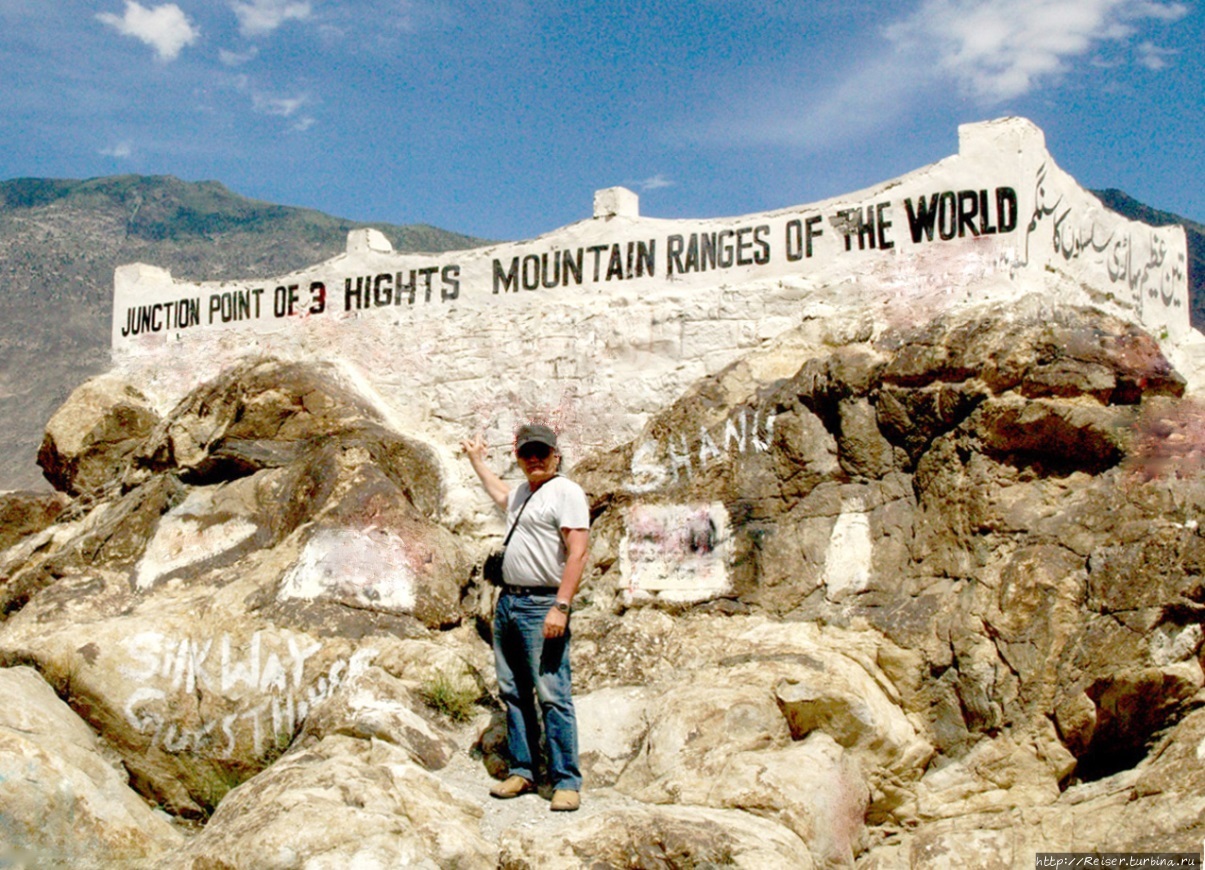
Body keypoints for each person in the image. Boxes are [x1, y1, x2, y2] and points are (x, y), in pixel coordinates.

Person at [461, 422, 590, 812]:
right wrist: (476, 461)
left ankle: (566, 780)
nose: (534, 459)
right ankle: (523, 770)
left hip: (542, 605)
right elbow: (499, 493)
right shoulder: (521, 493)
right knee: (513, 692)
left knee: (552, 694)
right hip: (509, 603)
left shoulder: (566, 492)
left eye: (542, 452)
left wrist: (561, 606)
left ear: (556, 455)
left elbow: (578, 552)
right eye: (526, 453)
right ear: (517, 456)